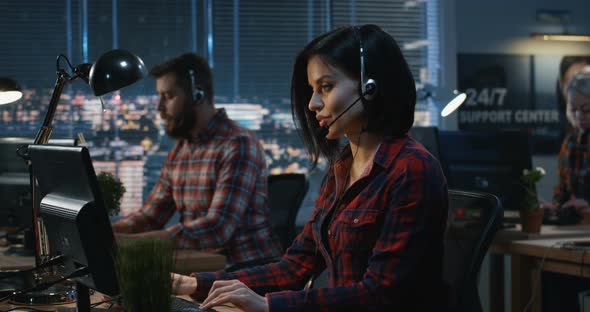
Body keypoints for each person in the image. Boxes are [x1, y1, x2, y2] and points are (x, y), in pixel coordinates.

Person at [172, 25, 449, 311]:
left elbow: (380, 294)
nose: (313, 103)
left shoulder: (411, 170)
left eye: (326, 87)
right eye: (313, 90)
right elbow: (296, 266)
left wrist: (269, 306)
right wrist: (196, 284)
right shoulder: (342, 168)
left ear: (370, 86)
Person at [112, 53, 282, 268]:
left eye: (168, 96)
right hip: (204, 269)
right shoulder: (180, 152)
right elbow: (150, 216)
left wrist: (133, 243)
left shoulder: (237, 144)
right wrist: (111, 233)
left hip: (246, 272)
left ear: (198, 95)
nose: (159, 108)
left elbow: (218, 228)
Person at [543, 66, 590, 312]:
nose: (579, 116)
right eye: (573, 110)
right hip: (576, 235)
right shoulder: (570, 142)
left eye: (586, 110)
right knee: (548, 276)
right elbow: (563, 189)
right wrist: (556, 205)